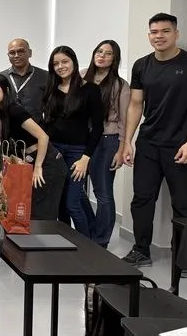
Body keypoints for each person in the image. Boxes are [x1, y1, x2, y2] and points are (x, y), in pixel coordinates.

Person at [121, 13, 187, 267]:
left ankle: (181, 259)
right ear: (148, 35)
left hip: (182, 146)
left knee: (183, 204)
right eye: (153, 32)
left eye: (165, 31)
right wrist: (127, 141)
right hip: (149, 144)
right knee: (141, 199)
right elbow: (135, 104)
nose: (158, 36)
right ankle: (141, 250)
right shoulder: (141, 65)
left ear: (176, 34)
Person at [0, 74, 67, 220]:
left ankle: (46, 242)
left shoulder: (15, 110)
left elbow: (43, 137)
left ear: (5, 90)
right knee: (28, 208)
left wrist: (38, 167)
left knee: (42, 212)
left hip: (47, 162)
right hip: (29, 161)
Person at [42, 46, 104, 239]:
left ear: (74, 62)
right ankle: (65, 243)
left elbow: (98, 128)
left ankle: (88, 248)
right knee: (60, 202)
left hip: (78, 152)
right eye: (56, 63)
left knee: (73, 203)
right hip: (55, 151)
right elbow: (48, 124)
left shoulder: (90, 90)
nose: (60, 66)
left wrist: (86, 158)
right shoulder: (50, 90)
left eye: (64, 61)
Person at [81, 40, 130, 248]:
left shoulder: (120, 85)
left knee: (102, 192)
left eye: (108, 53)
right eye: (99, 51)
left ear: (114, 59)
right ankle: (90, 228)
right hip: (81, 139)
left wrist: (121, 149)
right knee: (75, 189)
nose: (102, 56)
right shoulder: (82, 76)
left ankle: (101, 241)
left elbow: (124, 121)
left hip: (107, 141)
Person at [1, 38, 49, 124]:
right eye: (12, 53)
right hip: (8, 133)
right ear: (8, 55)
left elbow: (51, 108)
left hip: (38, 133)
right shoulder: (1, 78)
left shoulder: (46, 76)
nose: (16, 55)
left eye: (20, 51)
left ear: (30, 53)